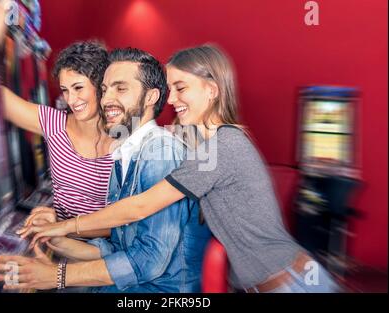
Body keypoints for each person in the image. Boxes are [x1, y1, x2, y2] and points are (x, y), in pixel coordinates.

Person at [18, 45, 340, 293]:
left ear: (212, 90)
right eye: (170, 89)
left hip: (294, 282)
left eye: (181, 88)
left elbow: (139, 208)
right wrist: (57, 235)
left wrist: (63, 235)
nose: (171, 99)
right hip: (264, 282)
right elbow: (160, 135)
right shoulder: (199, 140)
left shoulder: (221, 148)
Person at [0, 47, 211, 292]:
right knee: (12, 278)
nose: (107, 99)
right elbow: (120, 242)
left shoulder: (159, 152)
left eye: (121, 88)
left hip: (158, 289)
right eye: (106, 90)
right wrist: (54, 237)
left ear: (151, 97)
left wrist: (57, 275)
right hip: (128, 280)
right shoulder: (125, 153)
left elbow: (149, 261)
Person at [0, 39, 115, 230]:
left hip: (105, 253)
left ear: (101, 85)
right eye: (65, 90)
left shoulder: (126, 136)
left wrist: (63, 223)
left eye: (78, 88)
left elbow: (128, 224)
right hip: (64, 243)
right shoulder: (54, 123)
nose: (71, 100)